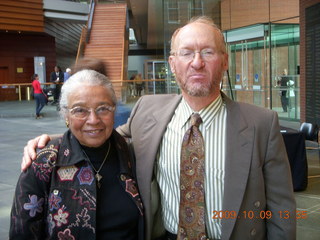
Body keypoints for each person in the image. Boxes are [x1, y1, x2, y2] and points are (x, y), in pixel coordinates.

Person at [22, 16, 296, 240]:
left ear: (224, 61)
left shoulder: (261, 123)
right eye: (186, 53)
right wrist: (51, 142)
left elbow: (282, 210)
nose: (197, 62)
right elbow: (101, 133)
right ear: (173, 64)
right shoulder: (148, 110)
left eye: (207, 52)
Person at [11, 70, 144, 239]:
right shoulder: (43, 163)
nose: (93, 119)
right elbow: (22, 233)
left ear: (114, 111)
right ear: (66, 114)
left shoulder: (129, 153)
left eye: (103, 109)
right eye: (80, 110)